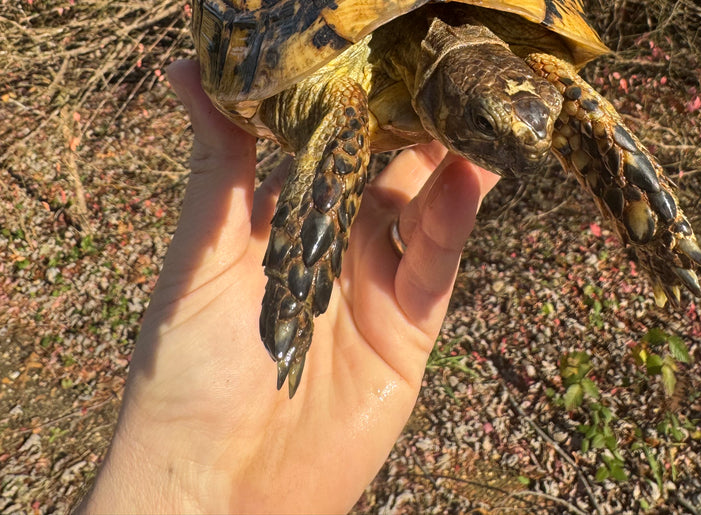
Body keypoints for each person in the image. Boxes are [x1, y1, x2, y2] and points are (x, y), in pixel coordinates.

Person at [75, 60, 499, 515]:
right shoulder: (345, 104)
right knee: (346, 119)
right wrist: (182, 481)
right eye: (486, 122)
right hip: (329, 68)